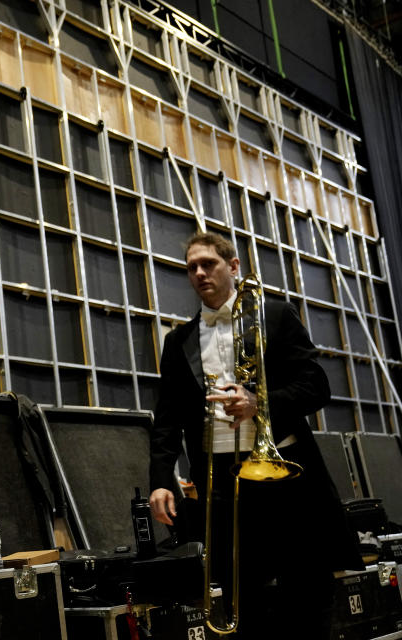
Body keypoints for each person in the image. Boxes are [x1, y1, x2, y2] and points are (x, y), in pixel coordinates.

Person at [148, 232, 361, 638]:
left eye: (207, 263)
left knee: (307, 589)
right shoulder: (178, 342)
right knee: (241, 595)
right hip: (225, 482)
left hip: (287, 475)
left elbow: (317, 385)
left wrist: (259, 403)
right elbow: (167, 419)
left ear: (233, 267)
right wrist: (162, 481)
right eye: (191, 267)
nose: (198, 273)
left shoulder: (276, 316)